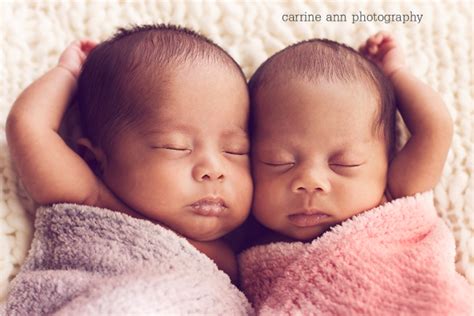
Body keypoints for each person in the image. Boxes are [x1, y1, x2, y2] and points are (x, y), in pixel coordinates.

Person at [239, 32, 472, 314]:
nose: (311, 181)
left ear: (386, 161)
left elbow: (435, 128)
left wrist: (395, 75)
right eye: (279, 162)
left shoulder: (394, 198)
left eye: (344, 163)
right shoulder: (243, 237)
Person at [6, 24, 253, 282]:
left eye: (235, 151)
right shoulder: (92, 199)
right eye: (175, 147)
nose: (214, 169)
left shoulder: (253, 247)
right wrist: (68, 73)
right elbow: (28, 124)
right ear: (95, 161)